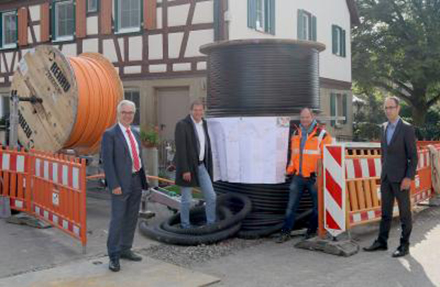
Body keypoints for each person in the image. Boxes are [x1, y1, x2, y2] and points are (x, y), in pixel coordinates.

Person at [363, 96, 417, 257]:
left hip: (401, 179)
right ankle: (382, 241)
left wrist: (408, 177)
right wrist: (383, 171)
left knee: (404, 214)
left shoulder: (407, 128)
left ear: (398, 108)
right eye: (386, 108)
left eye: (391, 107)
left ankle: (404, 245)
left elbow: (413, 157)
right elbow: (384, 153)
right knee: (385, 212)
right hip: (386, 177)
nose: (388, 110)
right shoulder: (384, 127)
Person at [101, 100, 149, 272]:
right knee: (118, 219)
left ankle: (125, 249)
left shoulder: (135, 132)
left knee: (132, 217)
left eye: (131, 113)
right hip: (120, 184)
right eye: (125, 112)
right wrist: (113, 184)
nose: (128, 115)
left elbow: (138, 158)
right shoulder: (110, 134)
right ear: (118, 114)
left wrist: (144, 181)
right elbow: (107, 162)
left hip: (136, 181)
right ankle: (113, 255)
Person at [276, 108, 332, 243]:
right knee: (291, 206)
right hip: (298, 176)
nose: (304, 120)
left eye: (307, 117)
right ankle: (285, 232)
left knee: (317, 207)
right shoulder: (296, 133)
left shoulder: (323, 135)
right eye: (302, 117)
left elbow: (328, 158)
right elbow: (294, 156)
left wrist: (320, 177)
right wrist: (290, 170)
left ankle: (311, 231)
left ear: (312, 117)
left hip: (314, 177)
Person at [174, 99, 216, 228]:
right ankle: (185, 225)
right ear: (190, 111)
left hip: (201, 165)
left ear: (204, 111)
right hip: (188, 167)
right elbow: (181, 150)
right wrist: (185, 170)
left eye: (200, 110)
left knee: (211, 196)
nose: (198, 112)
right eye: (195, 110)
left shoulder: (204, 124)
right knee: (186, 199)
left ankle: (211, 224)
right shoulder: (182, 125)